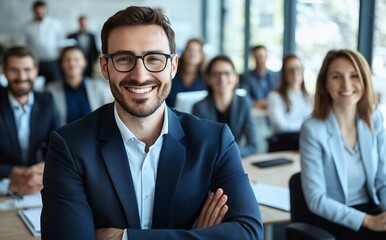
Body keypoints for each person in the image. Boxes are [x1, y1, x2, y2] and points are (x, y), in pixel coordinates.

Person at [41, 6, 262, 240]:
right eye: (124, 59)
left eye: (154, 58)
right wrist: (193, 235)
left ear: (173, 66)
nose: (140, 75)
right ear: (105, 67)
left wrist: (125, 238)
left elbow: (248, 233)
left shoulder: (215, 141)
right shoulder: (70, 146)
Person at [300, 49, 386, 240]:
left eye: (354, 75)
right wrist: (369, 221)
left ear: (364, 80)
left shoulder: (374, 119)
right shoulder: (313, 130)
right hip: (337, 218)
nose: (346, 84)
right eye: (336, 77)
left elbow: (382, 179)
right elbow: (316, 200)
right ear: (325, 84)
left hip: (372, 208)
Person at [0, 46, 60, 195]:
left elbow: (58, 146)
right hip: (4, 183)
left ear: (36, 71)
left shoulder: (47, 102)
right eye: (14, 70)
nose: (21, 77)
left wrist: (45, 167)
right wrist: (14, 172)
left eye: (27, 70)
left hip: (34, 184)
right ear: (4, 72)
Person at [192, 55, 257, 157]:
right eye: (216, 74)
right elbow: (197, 146)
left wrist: (230, 155)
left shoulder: (244, 103)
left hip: (235, 159)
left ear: (236, 78)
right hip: (210, 163)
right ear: (208, 79)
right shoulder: (199, 107)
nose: (222, 78)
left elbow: (252, 146)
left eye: (227, 73)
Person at [45, 46, 112, 126]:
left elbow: (108, 118)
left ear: (84, 62)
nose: (72, 63)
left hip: (93, 137)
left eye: (76, 59)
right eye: (67, 60)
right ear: (61, 64)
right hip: (64, 137)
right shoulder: (51, 91)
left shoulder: (99, 87)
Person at [18, 1, 64, 85]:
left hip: (53, 61)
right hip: (36, 61)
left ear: (46, 10)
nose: (40, 13)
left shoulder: (55, 24)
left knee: (55, 83)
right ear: (34, 11)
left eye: (42, 10)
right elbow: (22, 43)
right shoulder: (27, 26)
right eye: (37, 11)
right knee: (34, 84)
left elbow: (61, 41)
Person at [267, 53, 312, 134]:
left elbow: (313, 121)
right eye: (290, 70)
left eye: (298, 68)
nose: (295, 72)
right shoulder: (275, 96)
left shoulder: (308, 97)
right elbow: (280, 126)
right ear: (284, 74)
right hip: (285, 141)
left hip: (305, 137)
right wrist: (306, 126)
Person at [166, 38, 205, 107]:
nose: (192, 53)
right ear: (184, 52)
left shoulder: (206, 78)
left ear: (202, 55)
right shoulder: (171, 74)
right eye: (189, 49)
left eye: (197, 50)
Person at [240, 45, 280, 109]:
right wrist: (262, 103)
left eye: (262, 56)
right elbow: (244, 99)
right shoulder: (245, 77)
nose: (260, 60)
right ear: (253, 57)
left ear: (266, 57)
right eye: (258, 57)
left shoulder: (277, 76)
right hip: (255, 113)